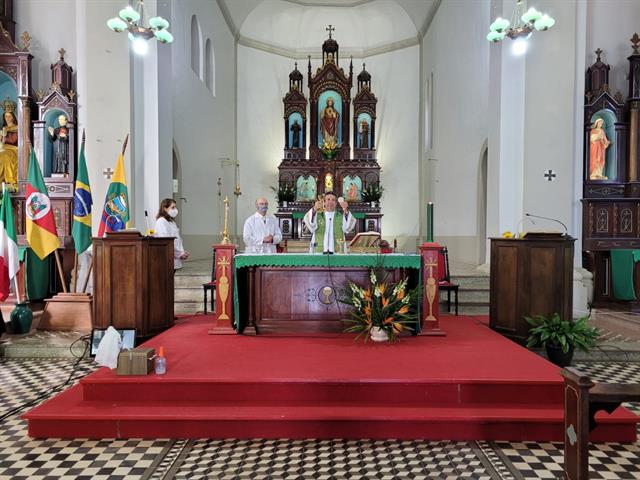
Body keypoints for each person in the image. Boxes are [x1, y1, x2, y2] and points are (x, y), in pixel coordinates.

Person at [154, 198, 190, 271]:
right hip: (167, 258)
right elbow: (166, 241)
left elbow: (177, 240)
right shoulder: (161, 221)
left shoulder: (171, 222)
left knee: (170, 281)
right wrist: (179, 254)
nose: (175, 210)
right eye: (173, 207)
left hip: (174, 258)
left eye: (175, 207)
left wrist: (182, 252)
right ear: (165, 208)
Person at [0, 108, 18, 188]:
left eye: (9, 116)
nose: (7, 118)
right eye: (6, 116)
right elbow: (2, 143)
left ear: (13, 117)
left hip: (14, 149)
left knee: (5, 156)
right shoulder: (4, 128)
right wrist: (3, 136)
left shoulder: (18, 128)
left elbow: (15, 141)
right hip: (4, 149)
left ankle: (9, 180)